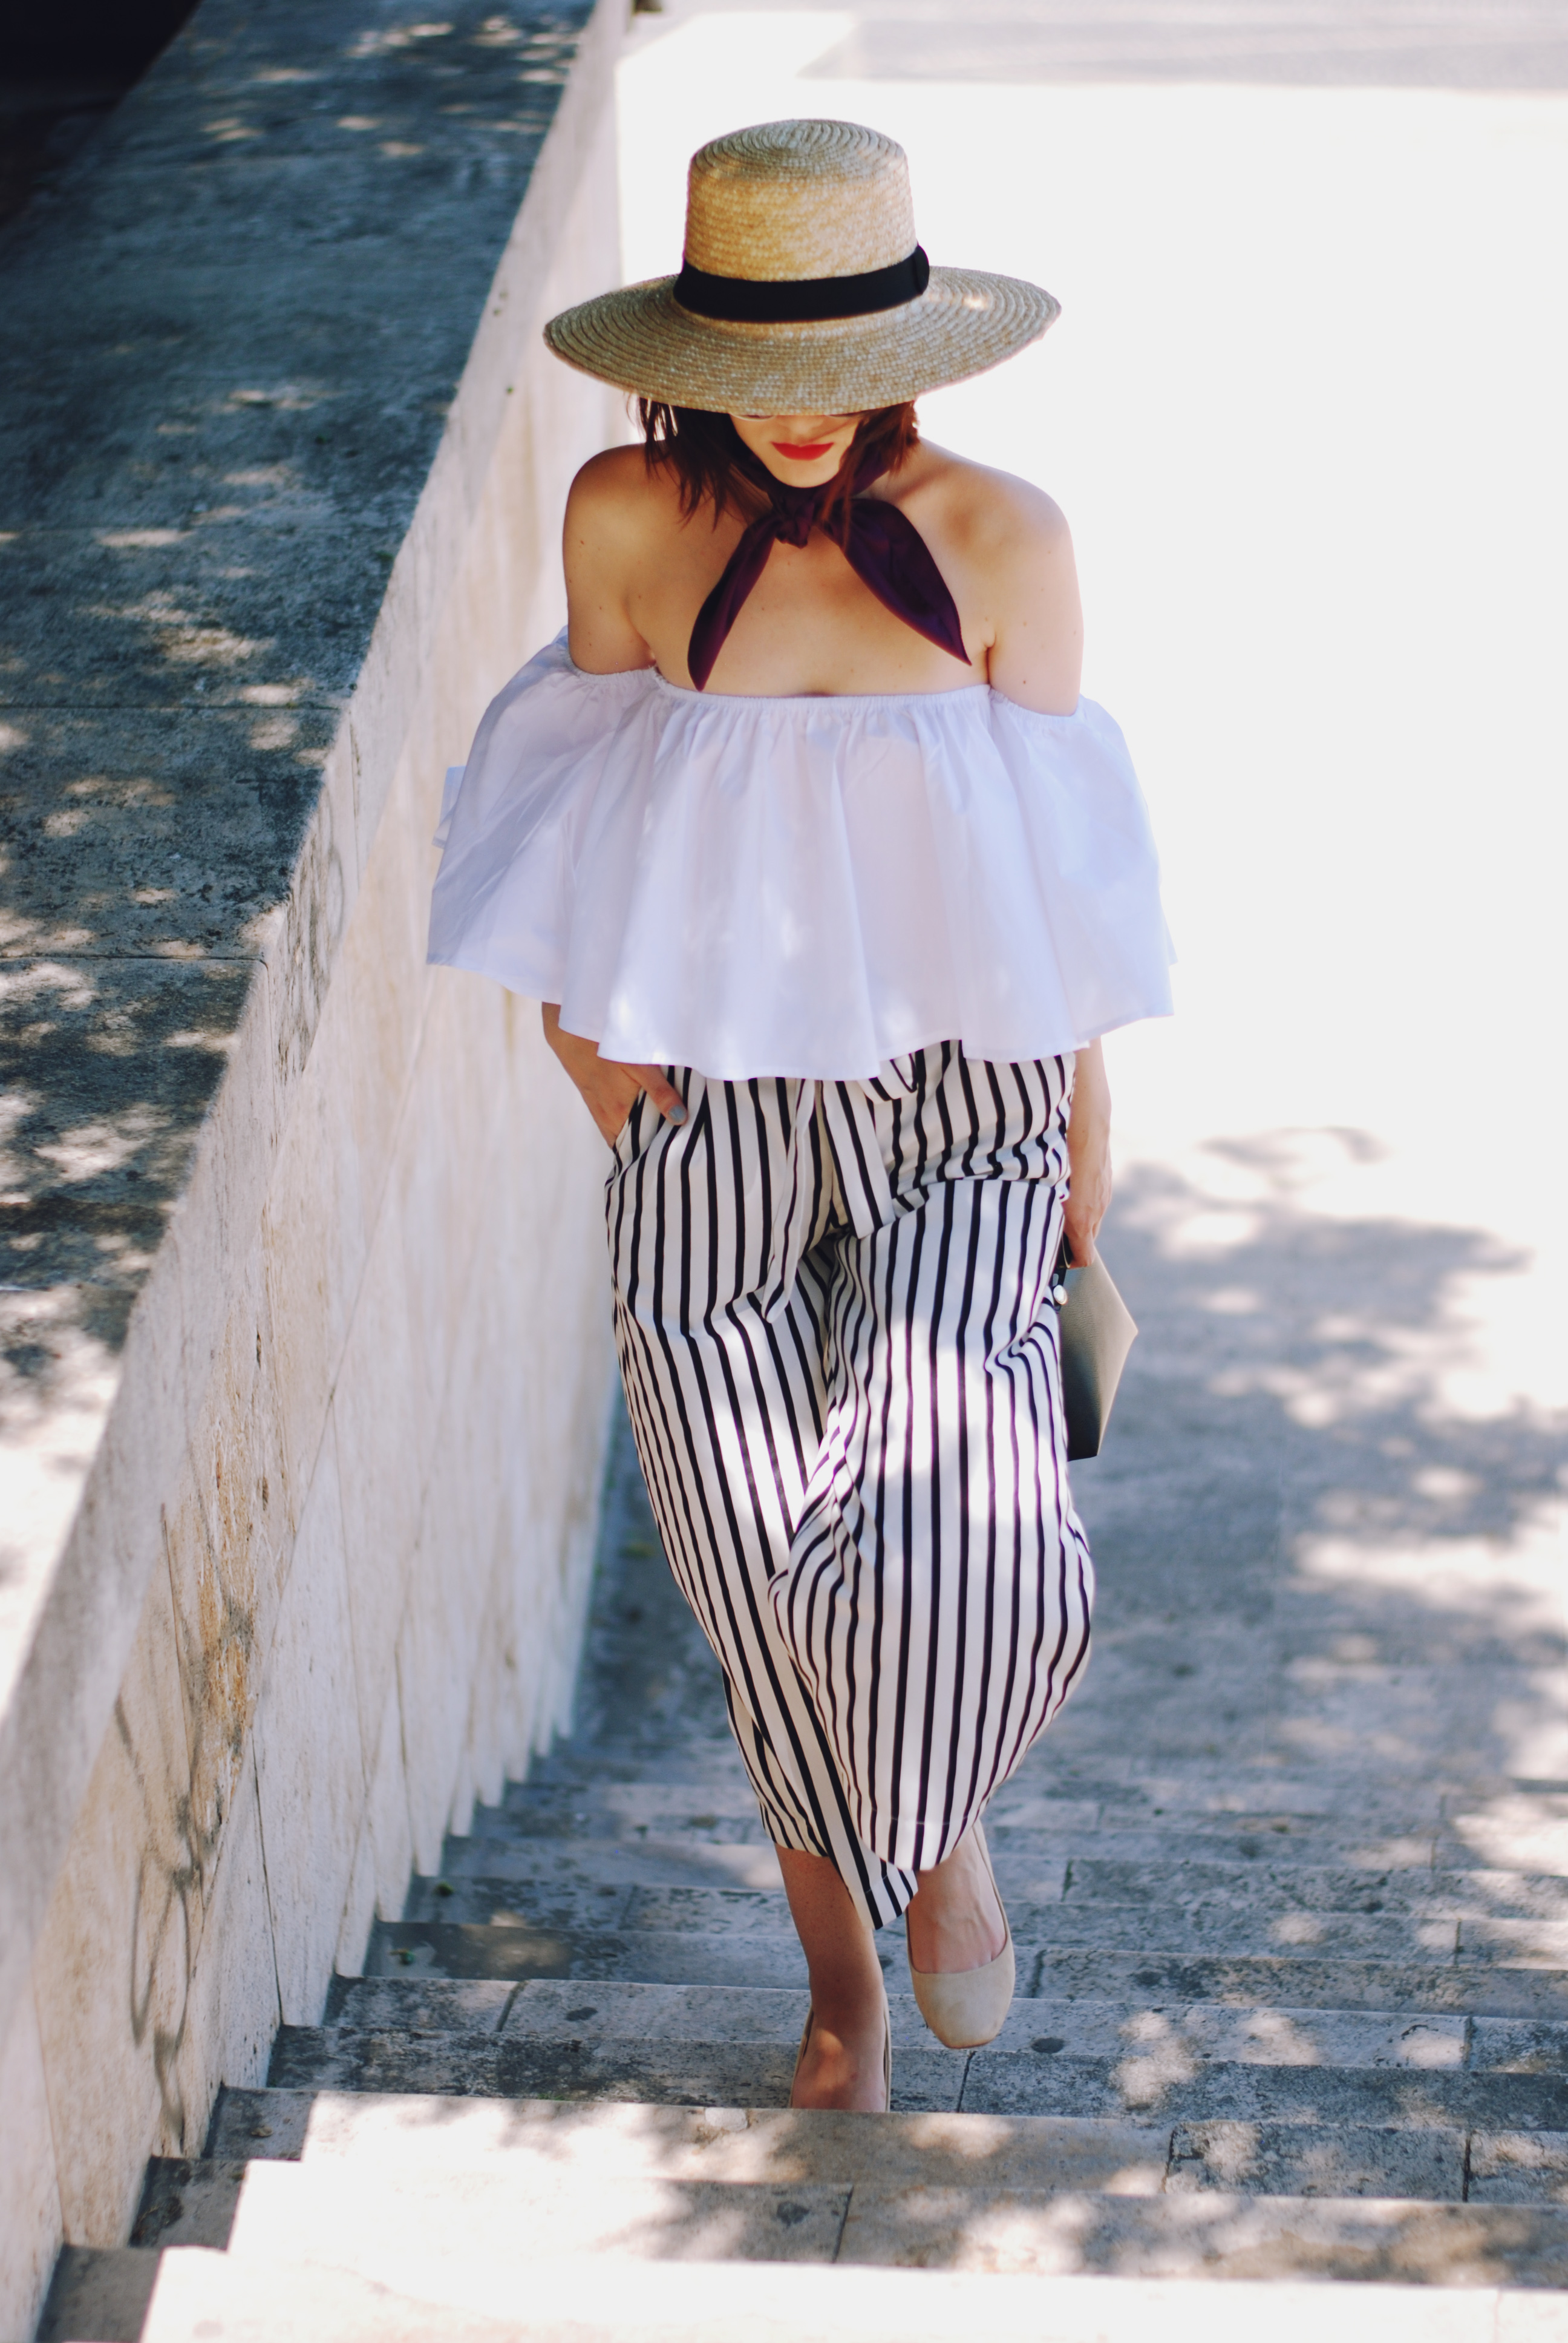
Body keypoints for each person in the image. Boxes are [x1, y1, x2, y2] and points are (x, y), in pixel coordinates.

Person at [428, 117, 1172, 2114]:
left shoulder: (1008, 539)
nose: (809, 413)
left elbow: (1061, 881)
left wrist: (1087, 1155)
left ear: (914, 345)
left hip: (961, 1108)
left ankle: (939, 1838)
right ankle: (838, 1969)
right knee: (757, 1556)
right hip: (707, 1107)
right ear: (690, 351)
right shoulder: (624, 518)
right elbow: (560, 807)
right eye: (763, 367)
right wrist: (593, 1069)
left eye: (846, 362)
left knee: (953, 1529)